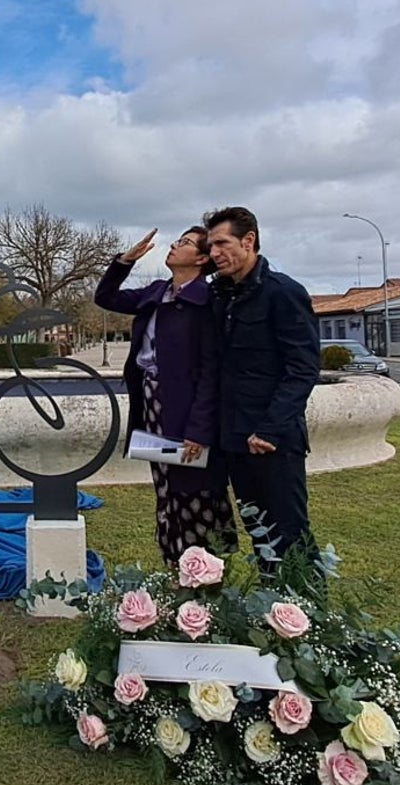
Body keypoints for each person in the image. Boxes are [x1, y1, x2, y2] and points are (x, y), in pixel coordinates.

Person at [95, 226, 237, 567]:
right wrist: (123, 262)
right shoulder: (158, 292)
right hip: (151, 405)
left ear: (202, 259)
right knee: (167, 490)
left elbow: (209, 373)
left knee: (195, 491)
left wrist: (199, 431)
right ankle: (174, 566)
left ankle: (203, 574)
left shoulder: (206, 302)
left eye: (184, 243)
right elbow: (106, 298)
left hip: (186, 413)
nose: (174, 246)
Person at [204, 206, 320, 569]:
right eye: (210, 246)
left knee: (289, 536)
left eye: (222, 243)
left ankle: (308, 618)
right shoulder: (222, 296)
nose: (214, 253)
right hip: (234, 440)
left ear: (249, 240)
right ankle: (274, 617)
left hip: (272, 442)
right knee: (260, 535)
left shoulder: (283, 293)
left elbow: (302, 369)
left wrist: (269, 429)